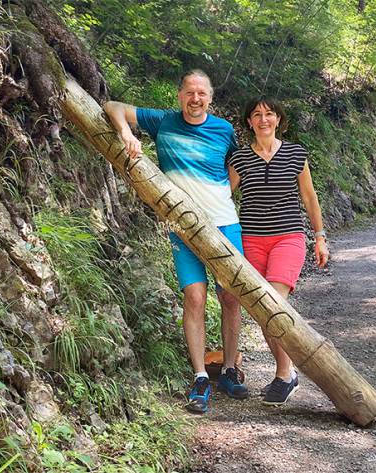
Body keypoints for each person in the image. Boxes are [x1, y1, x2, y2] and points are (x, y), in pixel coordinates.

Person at [103, 70, 249, 413]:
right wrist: (126, 132)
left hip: (225, 223)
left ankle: (229, 369)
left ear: (210, 98)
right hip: (181, 225)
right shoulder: (162, 121)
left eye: (202, 93)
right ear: (180, 95)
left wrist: (224, 192)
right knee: (194, 296)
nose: (195, 99)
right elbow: (112, 105)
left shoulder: (224, 130)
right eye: (189, 92)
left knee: (230, 296)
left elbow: (239, 163)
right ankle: (200, 377)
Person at [228, 96, 330, 406]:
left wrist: (320, 237)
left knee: (274, 303)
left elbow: (310, 199)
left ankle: (284, 373)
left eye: (269, 114)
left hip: (288, 237)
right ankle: (286, 374)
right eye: (256, 114)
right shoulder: (239, 159)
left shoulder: (296, 154)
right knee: (262, 310)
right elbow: (224, 197)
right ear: (249, 122)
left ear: (278, 119)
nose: (263, 119)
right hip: (251, 240)